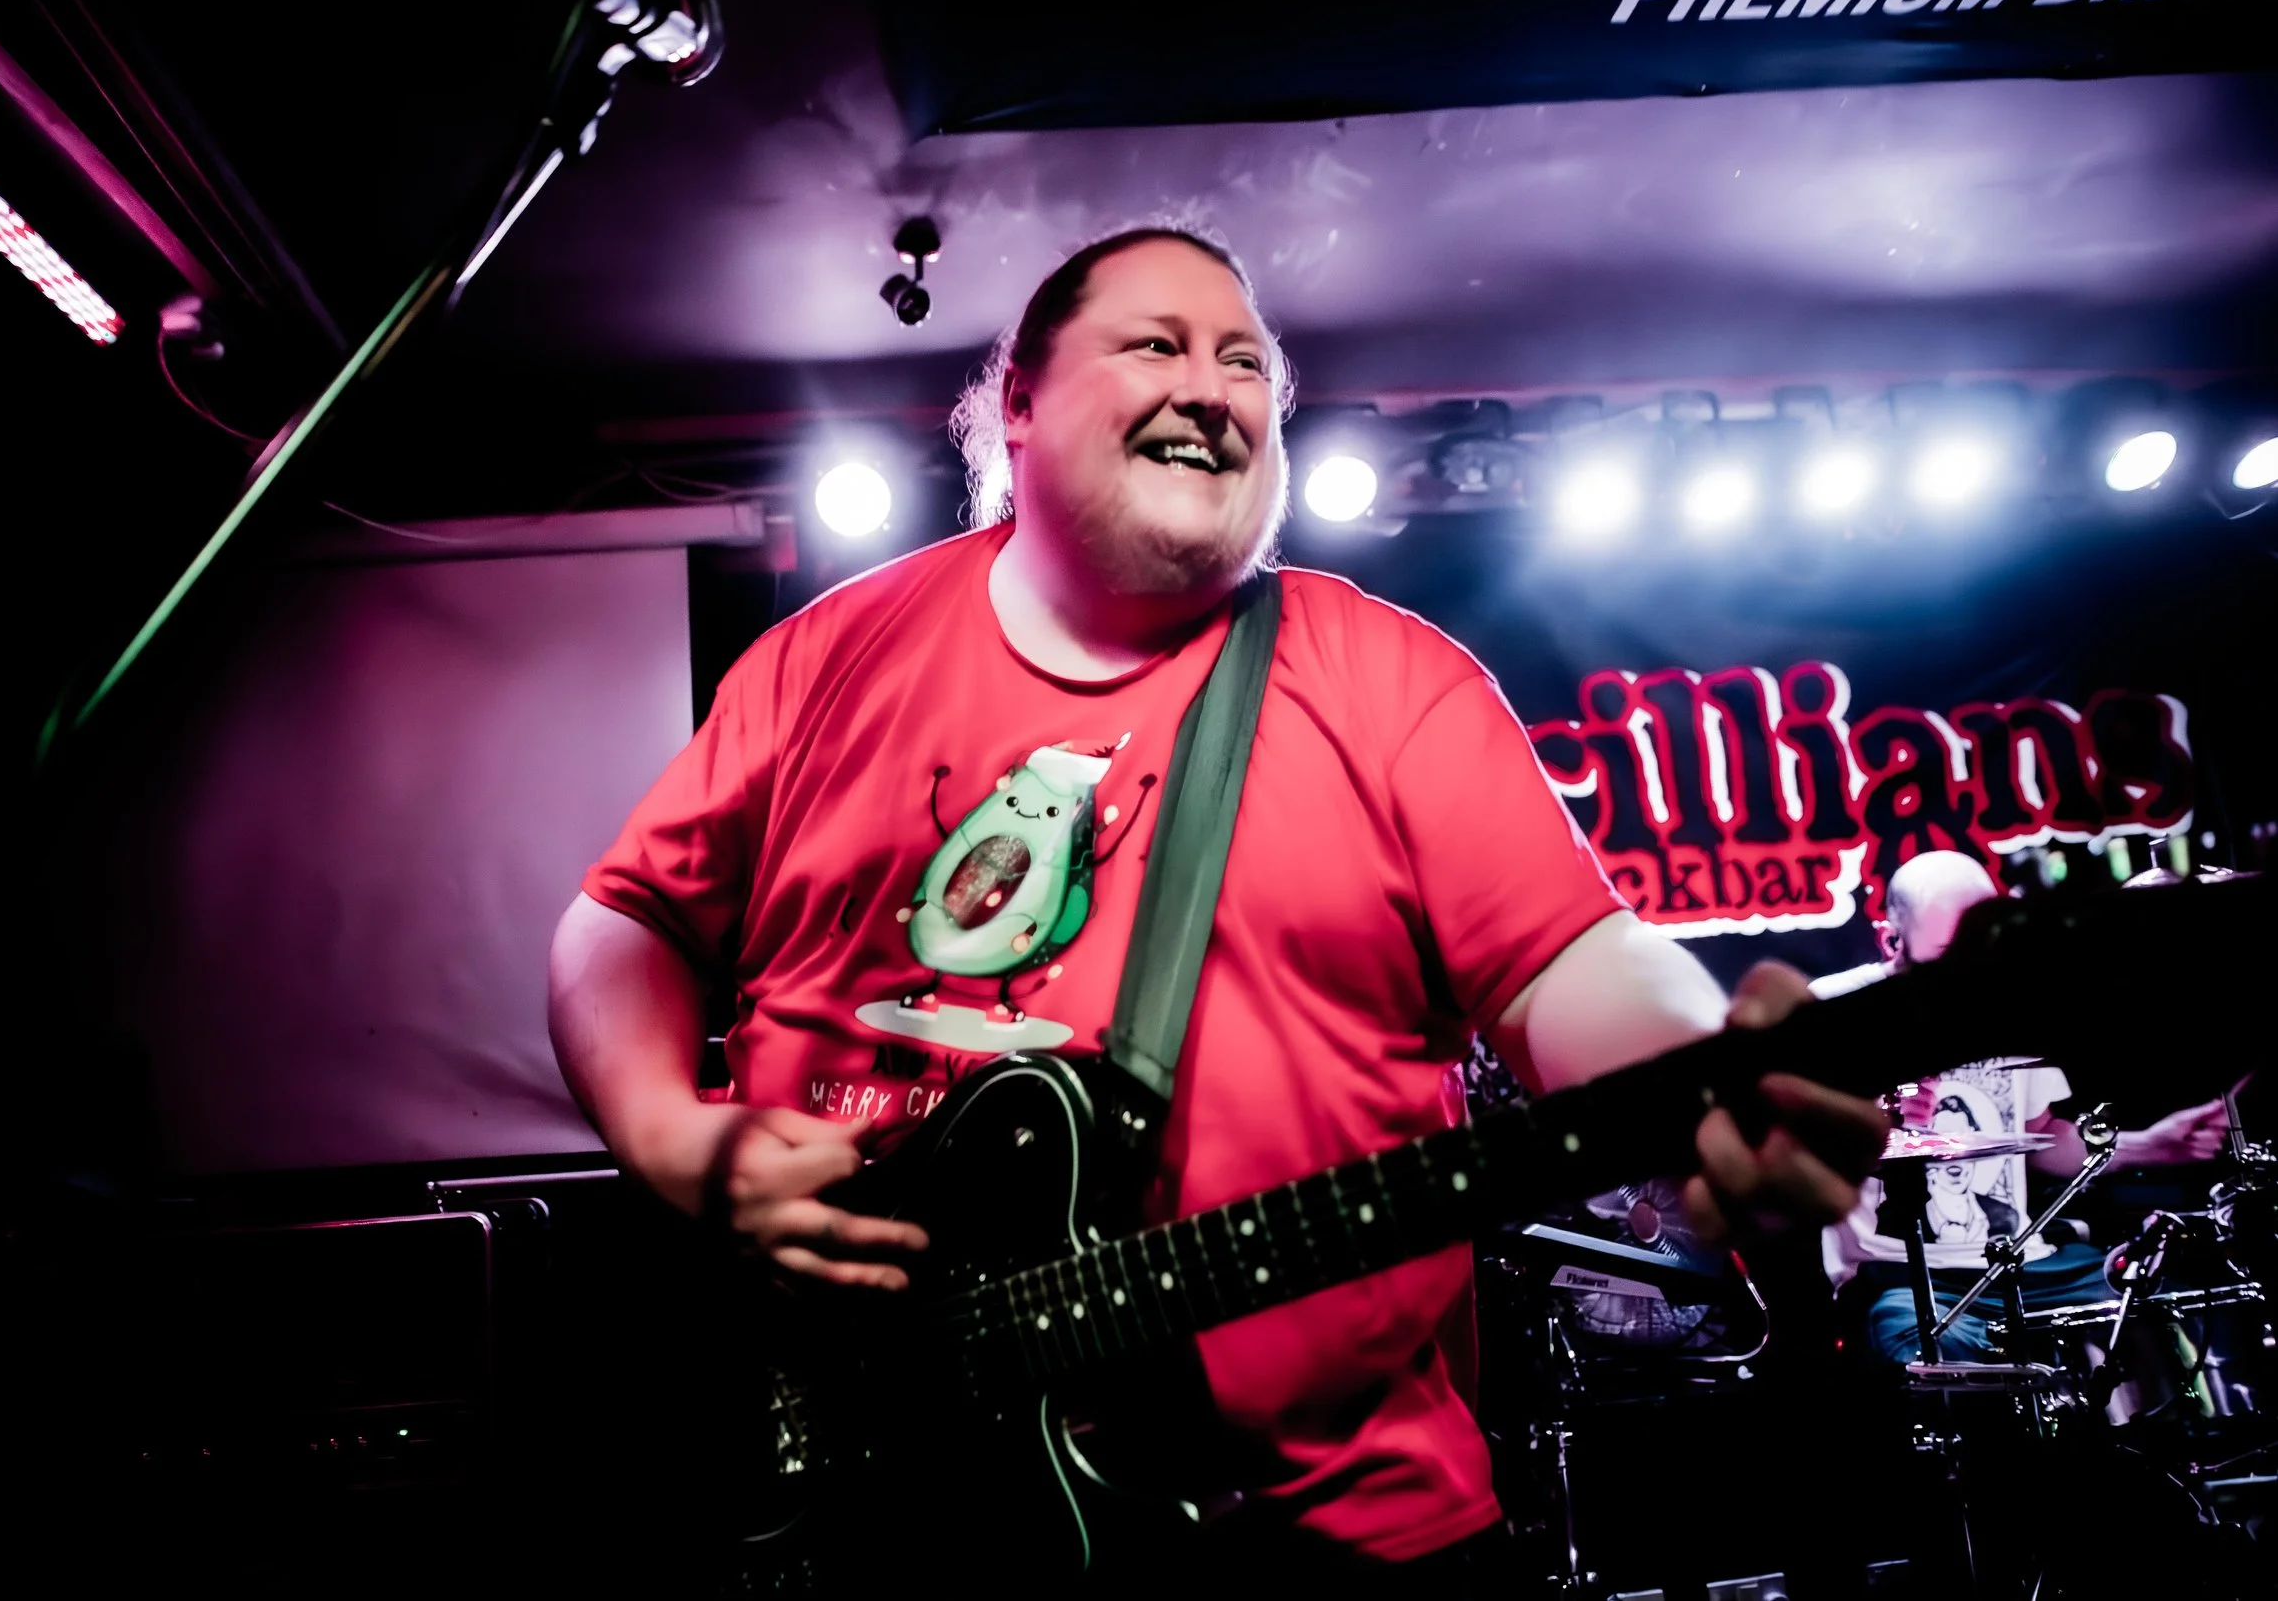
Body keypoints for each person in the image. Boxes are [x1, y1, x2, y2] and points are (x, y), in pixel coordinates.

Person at [547, 226, 1888, 1584]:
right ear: (1020, 399)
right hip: (853, 1501)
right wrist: (669, 1132)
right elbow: (624, 921)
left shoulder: (1387, 681)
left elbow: (1580, 968)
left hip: (1330, 1539)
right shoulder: (826, 659)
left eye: (1247, 364)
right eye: (1158, 344)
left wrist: (1705, 1073)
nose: (1212, 387)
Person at [1813, 850, 2232, 1364]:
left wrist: (2152, 1146)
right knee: (1930, 1351)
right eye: (1946, 955)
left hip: (2022, 1263)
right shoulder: (1832, 1010)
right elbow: (1793, 1156)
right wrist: (1877, 1117)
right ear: (1891, 941)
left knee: (2158, 1310)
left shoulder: (2011, 1007)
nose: (1968, 973)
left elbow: (2041, 1135)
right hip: (1903, 1276)